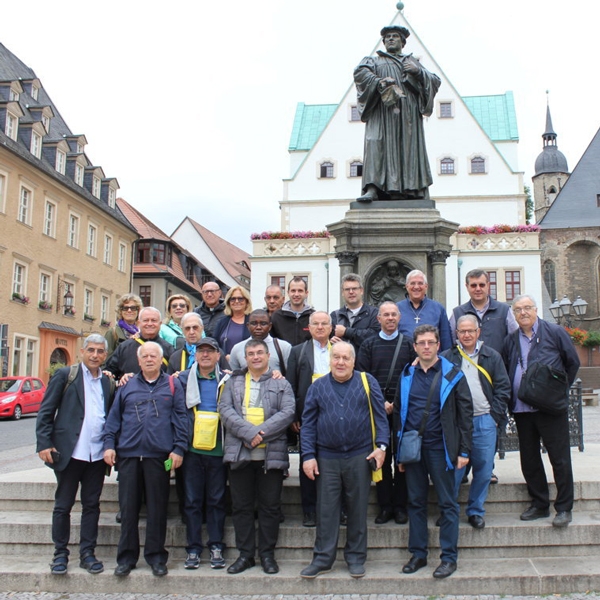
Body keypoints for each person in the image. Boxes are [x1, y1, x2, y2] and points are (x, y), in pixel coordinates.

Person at [300, 341, 388, 579]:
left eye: (345, 358)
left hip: (359, 456)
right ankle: (322, 559)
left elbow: (381, 418)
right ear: (330, 360)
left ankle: (356, 558)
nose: (340, 362)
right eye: (336, 357)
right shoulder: (317, 387)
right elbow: (307, 425)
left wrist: (381, 447)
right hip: (326, 458)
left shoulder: (367, 382)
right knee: (326, 511)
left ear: (353, 360)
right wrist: (308, 456)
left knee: (358, 509)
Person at [103, 341, 187, 577]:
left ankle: (156, 556)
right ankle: (126, 558)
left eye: (154, 356)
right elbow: (113, 420)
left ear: (161, 360)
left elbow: (181, 419)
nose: (149, 359)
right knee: (128, 510)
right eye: (145, 356)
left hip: (159, 457)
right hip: (128, 456)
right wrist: (109, 445)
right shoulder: (126, 386)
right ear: (138, 361)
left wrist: (179, 449)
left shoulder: (173, 384)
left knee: (158, 509)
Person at [35, 334, 115, 576]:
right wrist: (44, 443)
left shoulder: (107, 382)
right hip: (69, 453)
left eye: (100, 351)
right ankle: (60, 553)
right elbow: (46, 411)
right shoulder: (65, 375)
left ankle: (87, 553)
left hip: (96, 455)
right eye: (91, 350)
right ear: (82, 351)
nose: (95, 355)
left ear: (105, 355)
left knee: (92, 505)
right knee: (63, 505)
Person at [397, 324, 472, 579]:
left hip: (442, 449)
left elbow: (465, 415)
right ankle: (418, 554)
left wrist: (463, 450)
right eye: (422, 343)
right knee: (416, 503)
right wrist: (400, 453)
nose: (426, 347)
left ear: (438, 345)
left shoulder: (453, 374)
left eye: (431, 342)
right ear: (415, 347)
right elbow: (400, 413)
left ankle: (449, 558)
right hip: (414, 450)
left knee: (448, 504)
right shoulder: (407, 373)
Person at [501, 294, 580, 528]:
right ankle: (540, 504)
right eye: (518, 310)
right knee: (530, 459)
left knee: (560, 458)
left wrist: (558, 390)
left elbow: (572, 362)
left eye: (527, 308)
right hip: (522, 409)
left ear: (535, 310)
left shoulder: (554, 332)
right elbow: (507, 368)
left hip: (550, 409)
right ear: (513, 315)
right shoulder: (511, 340)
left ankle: (564, 508)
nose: (523, 312)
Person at [218, 339, 295, 575]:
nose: (255, 357)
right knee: (241, 507)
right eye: (250, 353)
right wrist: (249, 433)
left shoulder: (281, 382)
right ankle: (245, 555)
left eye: (259, 353)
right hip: (240, 453)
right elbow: (225, 409)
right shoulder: (233, 381)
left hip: (270, 455)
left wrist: (260, 434)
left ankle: (267, 555)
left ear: (267, 354)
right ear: (245, 357)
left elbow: (288, 412)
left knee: (270, 507)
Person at [353, 24, 440, 202]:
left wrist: (419, 72)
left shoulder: (412, 62)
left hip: (408, 115)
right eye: (387, 37)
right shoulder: (373, 61)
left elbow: (435, 81)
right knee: (375, 144)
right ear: (383, 42)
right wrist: (379, 81)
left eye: (395, 36)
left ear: (403, 41)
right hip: (381, 112)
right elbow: (360, 74)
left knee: (408, 149)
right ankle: (373, 188)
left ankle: (412, 189)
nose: (391, 39)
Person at [441, 315, 510, 529]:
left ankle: (475, 510)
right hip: (457, 424)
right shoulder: (447, 357)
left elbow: (503, 387)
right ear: (457, 334)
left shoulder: (492, 356)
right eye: (462, 331)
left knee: (483, 468)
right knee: (453, 470)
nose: (467, 335)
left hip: (484, 420)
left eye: (471, 331)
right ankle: (448, 510)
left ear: (478, 332)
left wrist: (494, 416)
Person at [356, 301, 415, 525]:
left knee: (401, 458)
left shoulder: (409, 344)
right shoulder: (368, 345)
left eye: (393, 315)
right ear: (378, 319)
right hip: (376, 411)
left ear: (399, 318)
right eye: (385, 315)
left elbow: (412, 377)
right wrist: (380, 403)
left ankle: (400, 507)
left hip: (402, 412)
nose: (390, 318)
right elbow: (362, 376)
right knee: (381, 457)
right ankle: (384, 506)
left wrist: (395, 403)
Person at [177, 338, 230, 570]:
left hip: (218, 450)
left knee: (217, 500)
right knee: (192, 501)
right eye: (201, 351)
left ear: (218, 356)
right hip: (190, 450)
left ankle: (216, 544)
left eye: (210, 351)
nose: (206, 355)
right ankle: (194, 547)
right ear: (195, 355)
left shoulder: (227, 380)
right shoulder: (180, 380)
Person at [286, 311, 333, 527]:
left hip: (335, 415)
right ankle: (309, 510)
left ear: (331, 327)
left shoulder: (339, 351)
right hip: (308, 415)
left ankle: (336, 510)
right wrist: (295, 414)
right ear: (310, 327)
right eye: (316, 324)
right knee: (307, 461)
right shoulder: (298, 351)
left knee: (333, 464)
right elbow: (291, 385)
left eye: (325, 324)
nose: (320, 327)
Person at [450, 269, 518, 351]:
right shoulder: (457, 313)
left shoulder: (504, 310)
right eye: (473, 285)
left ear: (488, 285)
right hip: (467, 363)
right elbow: (451, 342)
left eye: (482, 285)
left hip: (498, 363)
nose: (478, 289)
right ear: (467, 287)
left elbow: (515, 340)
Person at [105, 307, 174, 381]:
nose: (150, 324)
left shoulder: (169, 349)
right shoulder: (124, 347)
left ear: (160, 324)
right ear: (139, 323)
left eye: (153, 320)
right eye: (146, 320)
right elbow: (110, 373)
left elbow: (173, 377)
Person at [397, 269, 452, 351]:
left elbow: (446, 340)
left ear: (426, 286)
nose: (416, 287)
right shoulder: (396, 309)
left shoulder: (438, 308)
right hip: (404, 359)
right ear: (406, 286)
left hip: (432, 360)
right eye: (412, 283)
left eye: (420, 283)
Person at [330, 273, 379, 352]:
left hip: (366, 362)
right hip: (342, 362)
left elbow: (374, 337)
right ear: (342, 292)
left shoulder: (374, 313)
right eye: (347, 289)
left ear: (361, 291)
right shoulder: (335, 315)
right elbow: (328, 338)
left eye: (354, 288)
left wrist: (346, 332)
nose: (351, 292)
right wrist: (331, 341)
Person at [270, 276, 315, 346]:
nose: (296, 294)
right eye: (293, 291)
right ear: (288, 293)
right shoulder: (276, 317)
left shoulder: (313, 316)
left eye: (300, 291)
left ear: (306, 293)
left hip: (306, 356)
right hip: (284, 356)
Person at [213, 286, 253, 359]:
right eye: (233, 299)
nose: (236, 301)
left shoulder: (253, 321)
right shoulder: (222, 322)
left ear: (247, 301)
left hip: (248, 365)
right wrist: (224, 356)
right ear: (228, 302)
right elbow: (214, 345)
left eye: (240, 299)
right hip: (225, 365)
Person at [104, 294, 143, 358]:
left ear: (138, 311)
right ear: (120, 311)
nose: (129, 310)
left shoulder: (140, 333)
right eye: (125, 308)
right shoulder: (113, 332)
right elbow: (106, 360)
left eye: (133, 308)